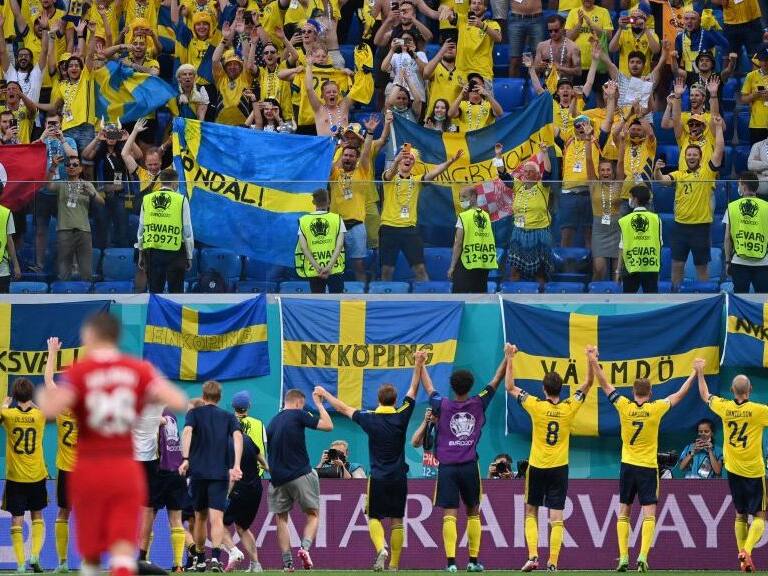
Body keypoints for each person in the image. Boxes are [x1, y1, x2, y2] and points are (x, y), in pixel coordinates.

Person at [37, 312, 187, 576]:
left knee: (92, 552)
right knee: (121, 547)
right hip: (124, 468)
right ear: (117, 337)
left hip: (89, 468)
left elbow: (48, 408)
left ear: (90, 336)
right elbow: (178, 401)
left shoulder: (82, 373)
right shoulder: (137, 370)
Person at [315, 352, 421, 572]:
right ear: (394, 400)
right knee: (397, 520)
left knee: (373, 516)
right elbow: (413, 390)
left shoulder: (369, 418)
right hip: (399, 477)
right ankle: (394, 564)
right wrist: (418, 364)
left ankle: (381, 548)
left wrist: (325, 393)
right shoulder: (402, 415)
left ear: (378, 399)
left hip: (379, 477)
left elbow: (343, 408)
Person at [593, 353, 697, 572]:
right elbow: (679, 395)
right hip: (648, 468)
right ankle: (642, 557)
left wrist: (593, 361)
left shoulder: (624, 406)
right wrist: (695, 373)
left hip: (627, 465)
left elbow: (604, 384)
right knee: (649, 514)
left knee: (624, 512)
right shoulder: (655, 408)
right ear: (650, 393)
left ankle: (622, 557)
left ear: (633, 392)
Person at [505, 343, 595, 572]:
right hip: (559, 468)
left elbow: (510, 387)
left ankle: (533, 555)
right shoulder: (568, 407)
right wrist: (590, 359)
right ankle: (553, 562)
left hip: (537, 466)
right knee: (557, 516)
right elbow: (587, 384)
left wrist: (510, 358)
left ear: (544, 389)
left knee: (531, 511)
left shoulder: (535, 405)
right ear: (561, 389)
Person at [421, 352, 507, 572]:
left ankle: (451, 563)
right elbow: (496, 380)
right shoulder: (479, 403)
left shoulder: (442, 404)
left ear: (452, 386)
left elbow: (429, 387)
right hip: (469, 466)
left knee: (450, 513)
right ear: (470, 387)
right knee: (473, 512)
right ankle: (473, 561)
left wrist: (419, 363)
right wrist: (508, 357)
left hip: (447, 468)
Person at [698, 368, 768, 572]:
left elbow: (705, 395)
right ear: (751, 390)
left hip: (733, 469)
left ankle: (742, 561)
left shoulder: (725, 407)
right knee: (760, 516)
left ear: (731, 390)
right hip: (754, 471)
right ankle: (746, 551)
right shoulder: (759, 410)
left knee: (740, 515)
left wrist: (700, 372)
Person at [179, 380, 244, 573]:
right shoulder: (228, 417)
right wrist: (236, 465)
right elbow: (238, 437)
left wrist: (185, 458)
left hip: (198, 473)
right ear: (220, 397)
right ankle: (216, 558)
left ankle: (200, 557)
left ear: (203, 395)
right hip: (219, 473)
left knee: (199, 518)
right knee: (217, 518)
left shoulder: (193, 414)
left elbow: (188, 431)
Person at [654, 115, 725, 288]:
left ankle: (705, 297)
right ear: (685, 157)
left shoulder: (707, 171)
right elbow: (662, 180)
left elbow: (719, 150)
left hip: (700, 227)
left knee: (701, 267)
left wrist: (718, 129)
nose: (691, 157)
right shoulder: (679, 174)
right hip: (680, 226)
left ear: (700, 157)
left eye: (694, 154)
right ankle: (674, 297)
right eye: (689, 154)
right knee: (677, 265)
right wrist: (656, 170)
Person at [267, 388, 333, 571]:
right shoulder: (298, 414)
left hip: (277, 479)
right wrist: (319, 403)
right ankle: (304, 548)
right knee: (313, 515)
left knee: (281, 519)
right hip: (301, 474)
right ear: (298, 403)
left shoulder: (272, 422)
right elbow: (328, 425)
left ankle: (287, 563)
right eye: (302, 405)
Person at [380, 146, 462, 281]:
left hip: (409, 229)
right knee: (387, 271)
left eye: (411, 159)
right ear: (399, 160)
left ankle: (425, 299)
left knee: (420, 270)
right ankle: (384, 301)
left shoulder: (417, 180)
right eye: (405, 157)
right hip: (388, 227)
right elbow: (389, 175)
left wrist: (451, 161)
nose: (408, 160)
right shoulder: (389, 176)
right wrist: (396, 161)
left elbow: (434, 172)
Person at [0, 378, 48, 573]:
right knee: (38, 516)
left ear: (15, 395)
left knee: (16, 520)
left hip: (15, 478)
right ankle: (35, 555)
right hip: (37, 475)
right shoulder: (40, 415)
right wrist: (33, 402)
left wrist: (4, 403)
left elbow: (1, 413)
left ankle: (20, 564)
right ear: (31, 395)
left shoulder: (8, 415)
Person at [44, 337, 77, 573]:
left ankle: (63, 562)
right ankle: (88, 561)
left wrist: (52, 352)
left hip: (66, 468)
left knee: (63, 514)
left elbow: (47, 380)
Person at [137, 168, 194, 294]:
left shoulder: (147, 199)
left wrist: (140, 252)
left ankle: (155, 314)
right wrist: (189, 256)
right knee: (176, 294)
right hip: (176, 251)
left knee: (155, 293)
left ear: (161, 181)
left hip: (153, 252)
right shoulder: (181, 200)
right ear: (174, 182)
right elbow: (187, 232)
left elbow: (141, 229)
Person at [47, 153, 104, 281]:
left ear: (80, 168)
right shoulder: (61, 184)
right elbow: (48, 185)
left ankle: (87, 297)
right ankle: (64, 295)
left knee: (86, 270)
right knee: (63, 270)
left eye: (75, 165)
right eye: (68, 165)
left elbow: (102, 202)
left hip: (84, 231)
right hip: (64, 231)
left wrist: (91, 194)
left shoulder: (87, 184)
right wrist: (53, 166)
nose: (71, 167)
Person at [222, 424, 268, 573]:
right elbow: (260, 458)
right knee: (242, 527)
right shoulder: (247, 439)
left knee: (218, 523)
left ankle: (234, 552)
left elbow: (233, 474)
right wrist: (270, 469)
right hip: (255, 489)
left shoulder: (228, 443)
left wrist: (226, 495)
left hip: (237, 489)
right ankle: (256, 564)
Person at [507, 147, 554, 288]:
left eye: (530, 171)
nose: (527, 174)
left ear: (536, 175)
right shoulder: (518, 186)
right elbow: (503, 176)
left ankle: (541, 298)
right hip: (519, 232)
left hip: (538, 233)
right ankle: (514, 296)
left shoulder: (542, 187)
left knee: (539, 272)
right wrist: (497, 156)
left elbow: (548, 173)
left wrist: (545, 154)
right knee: (515, 270)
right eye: (525, 171)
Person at [723, 171, 768, 293]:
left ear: (743, 186)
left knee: (740, 301)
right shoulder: (767, 206)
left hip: (739, 262)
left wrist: (727, 261)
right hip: (763, 262)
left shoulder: (731, 207)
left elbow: (727, 238)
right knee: (763, 302)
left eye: (738, 184)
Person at [295, 188, 347, 294]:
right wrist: (328, 267)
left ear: (313, 202)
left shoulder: (303, 220)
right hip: (335, 268)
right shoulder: (337, 219)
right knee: (337, 302)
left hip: (314, 269)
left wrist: (318, 268)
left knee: (317, 302)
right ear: (329, 201)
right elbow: (340, 245)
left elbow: (304, 248)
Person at [448, 186, 497, 293]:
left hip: (468, 261)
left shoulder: (463, 216)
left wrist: (452, 266)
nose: (462, 200)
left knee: (459, 295)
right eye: (460, 197)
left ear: (474, 197)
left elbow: (458, 243)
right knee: (479, 296)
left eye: (465, 197)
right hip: (483, 262)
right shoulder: (486, 216)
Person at [585, 146, 621, 281]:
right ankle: (594, 297)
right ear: (598, 172)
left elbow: (621, 162)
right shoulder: (594, 184)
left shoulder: (619, 184)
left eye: (608, 169)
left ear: (612, 172)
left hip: (617, 230)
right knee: (599, 269)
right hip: (600, 231)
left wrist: (622, 143)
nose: (605, 172)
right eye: (602, 170)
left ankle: (617, 300)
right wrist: (588, 140)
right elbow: (588, 161)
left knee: (618, 273)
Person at [616, 185, 662, 293]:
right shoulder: (656, 219)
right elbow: (660, 245)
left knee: (628, 304)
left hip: (631, 266)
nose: (629, 200)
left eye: (630, 197)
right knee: (652, 302)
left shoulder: (624, 220)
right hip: (651, 266)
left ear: (635, 199)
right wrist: (658, 270)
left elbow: (622, 247)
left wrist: (618, 270)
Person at [533, 15, 581, 81]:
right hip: (547, 86)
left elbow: (578, 71)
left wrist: (560, 68)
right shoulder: (541, 46)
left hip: (565, 87)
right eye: (550, 31)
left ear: (562, 28)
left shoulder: (573, 47)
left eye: (556, 30)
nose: (553, 33)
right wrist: (539, 67)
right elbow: (533, 72)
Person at [506, 0, 543, 78]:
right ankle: (514, 88)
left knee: (538, 57)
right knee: (514, 59)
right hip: (516, 18)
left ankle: (537, 89)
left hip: (536, 18)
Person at [740, 47, 768, 145]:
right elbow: (743, 100)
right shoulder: (751, 76)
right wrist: (754, 95)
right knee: (757, 157)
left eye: (767, 60)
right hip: (757, 124)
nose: (765, 62)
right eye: (763, 60)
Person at [231, 391, 267, 463]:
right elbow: (264, 446)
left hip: (234, 471)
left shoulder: (227, 423)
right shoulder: (259, 424)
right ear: (249, 406)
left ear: (233, 406)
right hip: (255, 471)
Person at [0, 197, 21, 292]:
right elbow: (10, 241)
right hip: (2, 271)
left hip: (3, 270)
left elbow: (10, 241)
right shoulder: (6, 213)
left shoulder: (6, 213)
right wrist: (16, 266)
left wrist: (16, 266)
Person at [411, 407, 439, 478]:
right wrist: (426, 421)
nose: (433, 415)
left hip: (442, 476)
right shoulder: (428, 426)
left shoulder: (447, 427)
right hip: (427, 475)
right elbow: (415, 443)